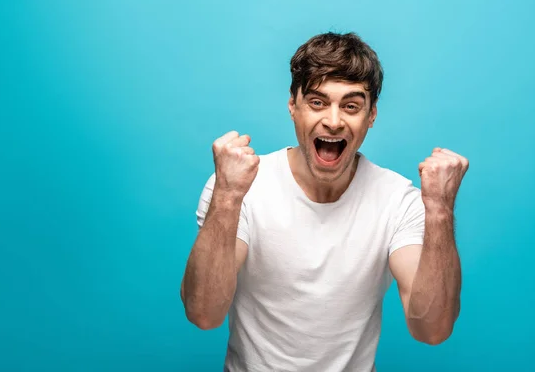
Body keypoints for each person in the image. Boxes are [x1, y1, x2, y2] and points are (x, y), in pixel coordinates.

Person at [180, 32, 469, 372]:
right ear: (293, 106)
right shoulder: (240, 187)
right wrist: (227, 196)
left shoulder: (397, 200)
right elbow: (203, 313)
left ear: (371, 114)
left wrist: (439, 210)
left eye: (351, 106)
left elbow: (432, 329)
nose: (333, 121)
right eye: (317, 102)